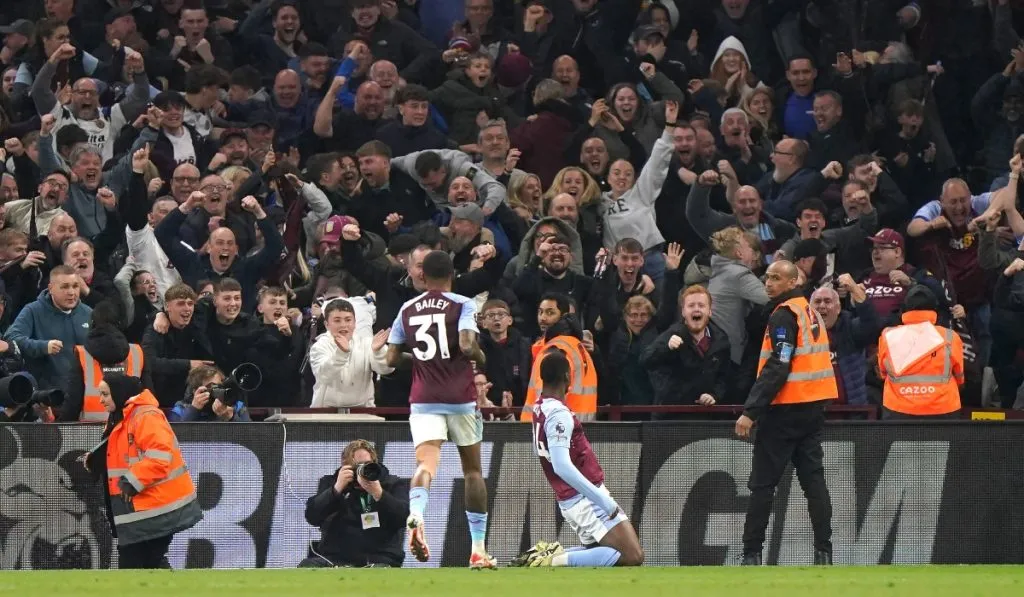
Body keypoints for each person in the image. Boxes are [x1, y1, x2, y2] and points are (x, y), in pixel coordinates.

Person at [385, 250, 496, 568]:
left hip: (423, 399)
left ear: (423, 275)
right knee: (473, 471)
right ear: (453, 274)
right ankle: (477, 549)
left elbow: (392, 360)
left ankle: (416, 514)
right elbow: (464, 345)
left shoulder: (407, 308)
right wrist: (481, 356)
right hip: (460, 399)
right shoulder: (463, 303)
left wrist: (420, 359)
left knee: (425, 465)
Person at [734, 260, 837, 566]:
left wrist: (751, 411)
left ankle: (752, 553)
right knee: (814, 482)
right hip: (814, 407)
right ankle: (824, 552)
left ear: (793, 282)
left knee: (763, 484)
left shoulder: (784, 315)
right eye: (767, 277)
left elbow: (779, 364)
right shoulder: (809, 311)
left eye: (776, 278)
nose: (768, 283)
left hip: (785, 409)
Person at [510, 349, 643, 568]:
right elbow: (562, 466)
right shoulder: (558, 414)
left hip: (571, 499)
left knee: (600, 553)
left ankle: (551, 554)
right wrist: (603, 501)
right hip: (585, 499)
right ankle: (550, 561)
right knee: (632, 555)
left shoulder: (540, 408)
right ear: (567, 377)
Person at [84, 373, 202, 569]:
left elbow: (160, 456)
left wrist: (132, 481)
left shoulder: (146, 416)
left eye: (105, 394)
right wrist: (98, 460)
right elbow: (123, 455)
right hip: (143, 509)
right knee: (148, 564)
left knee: (138, 565)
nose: (101, 400)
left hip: (155, 508)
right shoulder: (123, 417)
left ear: (119, 393)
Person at [302, 439, 410, 568]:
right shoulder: (331, 483)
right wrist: (336, 490)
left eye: (366, 465)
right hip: (335, 558)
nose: (361, 471)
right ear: (345, 466)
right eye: (356, 466)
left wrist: (379, 494)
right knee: (307, 566)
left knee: (381, 569)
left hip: (380, 558)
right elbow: (312, 516)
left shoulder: (392, 484)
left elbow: (405, 517)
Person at [877, 286, 964, 419]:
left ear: (905, 309)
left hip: (899, 408)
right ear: (934, 309)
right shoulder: (950, 336)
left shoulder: (888, 335)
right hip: (943, 408)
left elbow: (883, 372)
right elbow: (959, 376)